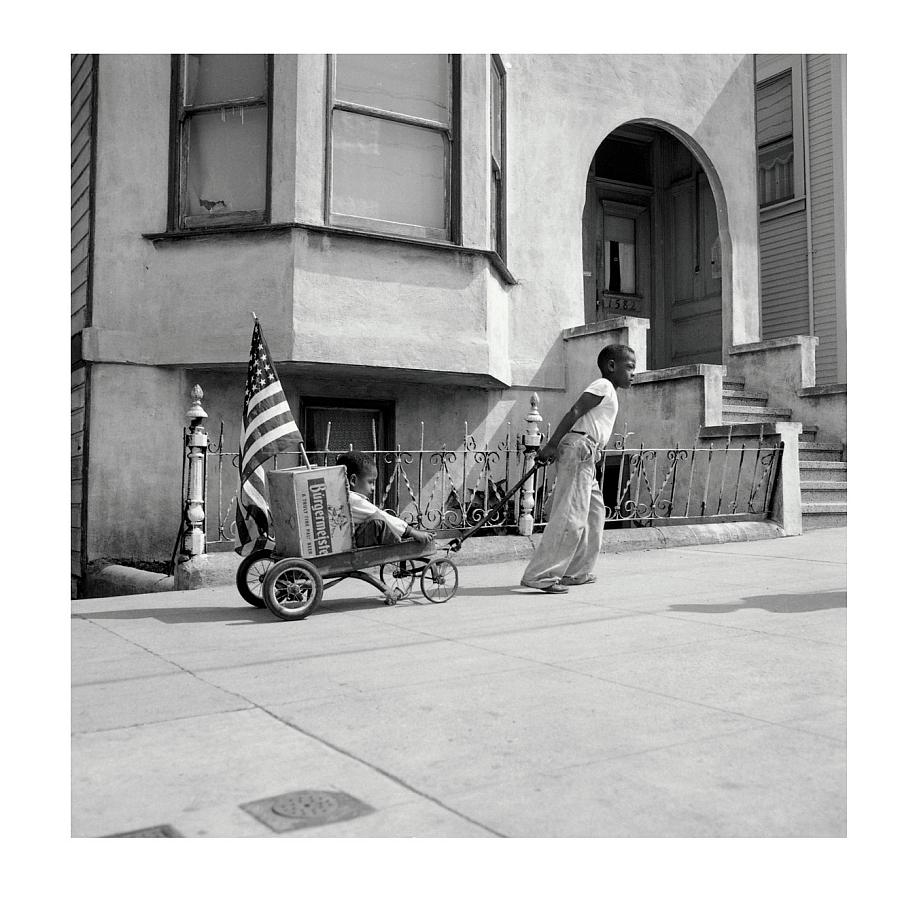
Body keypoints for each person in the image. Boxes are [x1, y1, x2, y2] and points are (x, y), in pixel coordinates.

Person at [520, 343, 636, 593]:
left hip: (587, 453)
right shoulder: (603, 385)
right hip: (579, 449)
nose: (633, 373)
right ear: (611, 366)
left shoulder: (611, 391)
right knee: (570, 514)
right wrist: (551, 445)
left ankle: (576, 572)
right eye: (629, 367)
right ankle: (541, 575)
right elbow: (575, 411)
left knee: (594, 514)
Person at [336, 452, 434, 548]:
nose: (373, 487)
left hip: (348, 541)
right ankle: (402, 545)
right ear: (353, 480)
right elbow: (380, 515)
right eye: (370, 482)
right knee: (378, 521)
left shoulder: (340, 497)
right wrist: (411, 531)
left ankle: (401, 536)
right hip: (352, 545)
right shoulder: (351, 499)